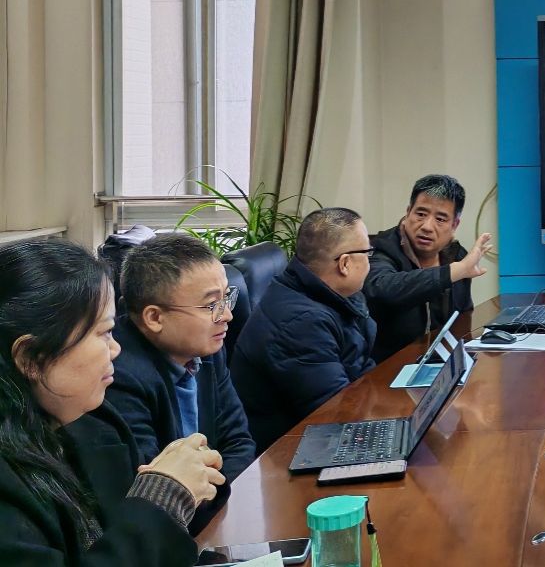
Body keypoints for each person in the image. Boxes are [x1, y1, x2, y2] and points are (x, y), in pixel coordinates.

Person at [0, 238, 223, 567]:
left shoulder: (97, 424)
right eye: (104, 333)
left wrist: (188, 480)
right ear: (32, 357)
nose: (116, 349)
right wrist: (164, 497)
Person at [107, 233, 254, 534]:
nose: (227, 315)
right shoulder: (117, 377)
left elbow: (238, 441)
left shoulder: (207, 349)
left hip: (213, 520)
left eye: (227, 298)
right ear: (154, 317)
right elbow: (150, 487)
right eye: (211, 305)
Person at [230, 208, 378, 452]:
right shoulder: (302, 323)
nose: (370, 260)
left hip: (316, 438)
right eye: (367, 252)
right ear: (345, 263)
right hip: (286, 454)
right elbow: (336, 412)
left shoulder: (330, 295)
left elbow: (361, 367)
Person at [365, 174, 492, 361]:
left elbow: (463, 317)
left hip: (441, 364)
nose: (427, 226)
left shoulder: (456, 255)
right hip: (390, 367)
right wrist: (454, 271)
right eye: (421, 214)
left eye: (440, 219)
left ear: (454, 225)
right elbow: (381, 289)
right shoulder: (382, 248)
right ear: (408, 212)